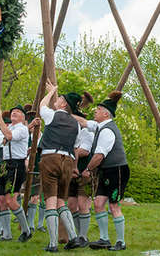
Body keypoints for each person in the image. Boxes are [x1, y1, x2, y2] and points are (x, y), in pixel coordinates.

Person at [75, 90, 129, 251]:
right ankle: (104, 239)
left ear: (106, 114)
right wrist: (64, 114)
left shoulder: (106, 131)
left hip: (117, 170)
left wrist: (87, 170)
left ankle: (121, 242)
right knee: (98, 204)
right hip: (107, 171)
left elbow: (98, 156)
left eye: (98, 109)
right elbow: (84, 122)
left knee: (114, 206)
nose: (94, 111)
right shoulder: (99, 126)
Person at [37, 81, 87, 252]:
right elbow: (76, 147)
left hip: (50, 158)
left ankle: (52, 244)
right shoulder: (77, 125)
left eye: (59, 98)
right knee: (61, 202)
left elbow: (41, 105)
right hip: (68, 161)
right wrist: (74, 167)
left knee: (50, 201)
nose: (56, 100)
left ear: (64, 104)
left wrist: (52, 91)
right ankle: (73, 237)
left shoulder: (53, 115)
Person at [0, 104, 32, 243]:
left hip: (15, 165)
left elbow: (8, 136)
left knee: (10, 200)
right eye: (13, 111)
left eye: (18, 112)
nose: (14, 113)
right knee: (2, 200)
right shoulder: (10, 127)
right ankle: (6, 234)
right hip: (5, 164)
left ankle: (26, 230)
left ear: (23, 117)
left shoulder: (22, 129)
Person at [67, 100, 93, 244]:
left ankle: (83, 236)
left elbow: (84, 151)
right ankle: (79, 234)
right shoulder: (69, 132)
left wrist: (70, 151)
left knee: (83, 205)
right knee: (71, 205)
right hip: (71, 173)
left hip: (84, 172)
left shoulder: (86, 131)